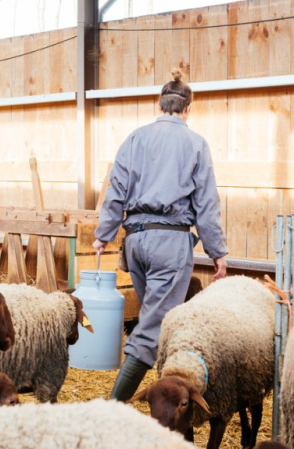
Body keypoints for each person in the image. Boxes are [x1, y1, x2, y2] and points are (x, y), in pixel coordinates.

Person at [93, 68, 228, 402]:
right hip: (170, 242)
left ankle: (164, 398)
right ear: (188, 108)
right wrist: (217, 252)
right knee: (152, 330)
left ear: (159, 104)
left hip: (136, 241)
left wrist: (103, 234)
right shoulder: (196, 144)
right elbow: (206, 202)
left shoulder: (135, 138)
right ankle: (112, 409)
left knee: (157, 320)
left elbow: (115, 191)